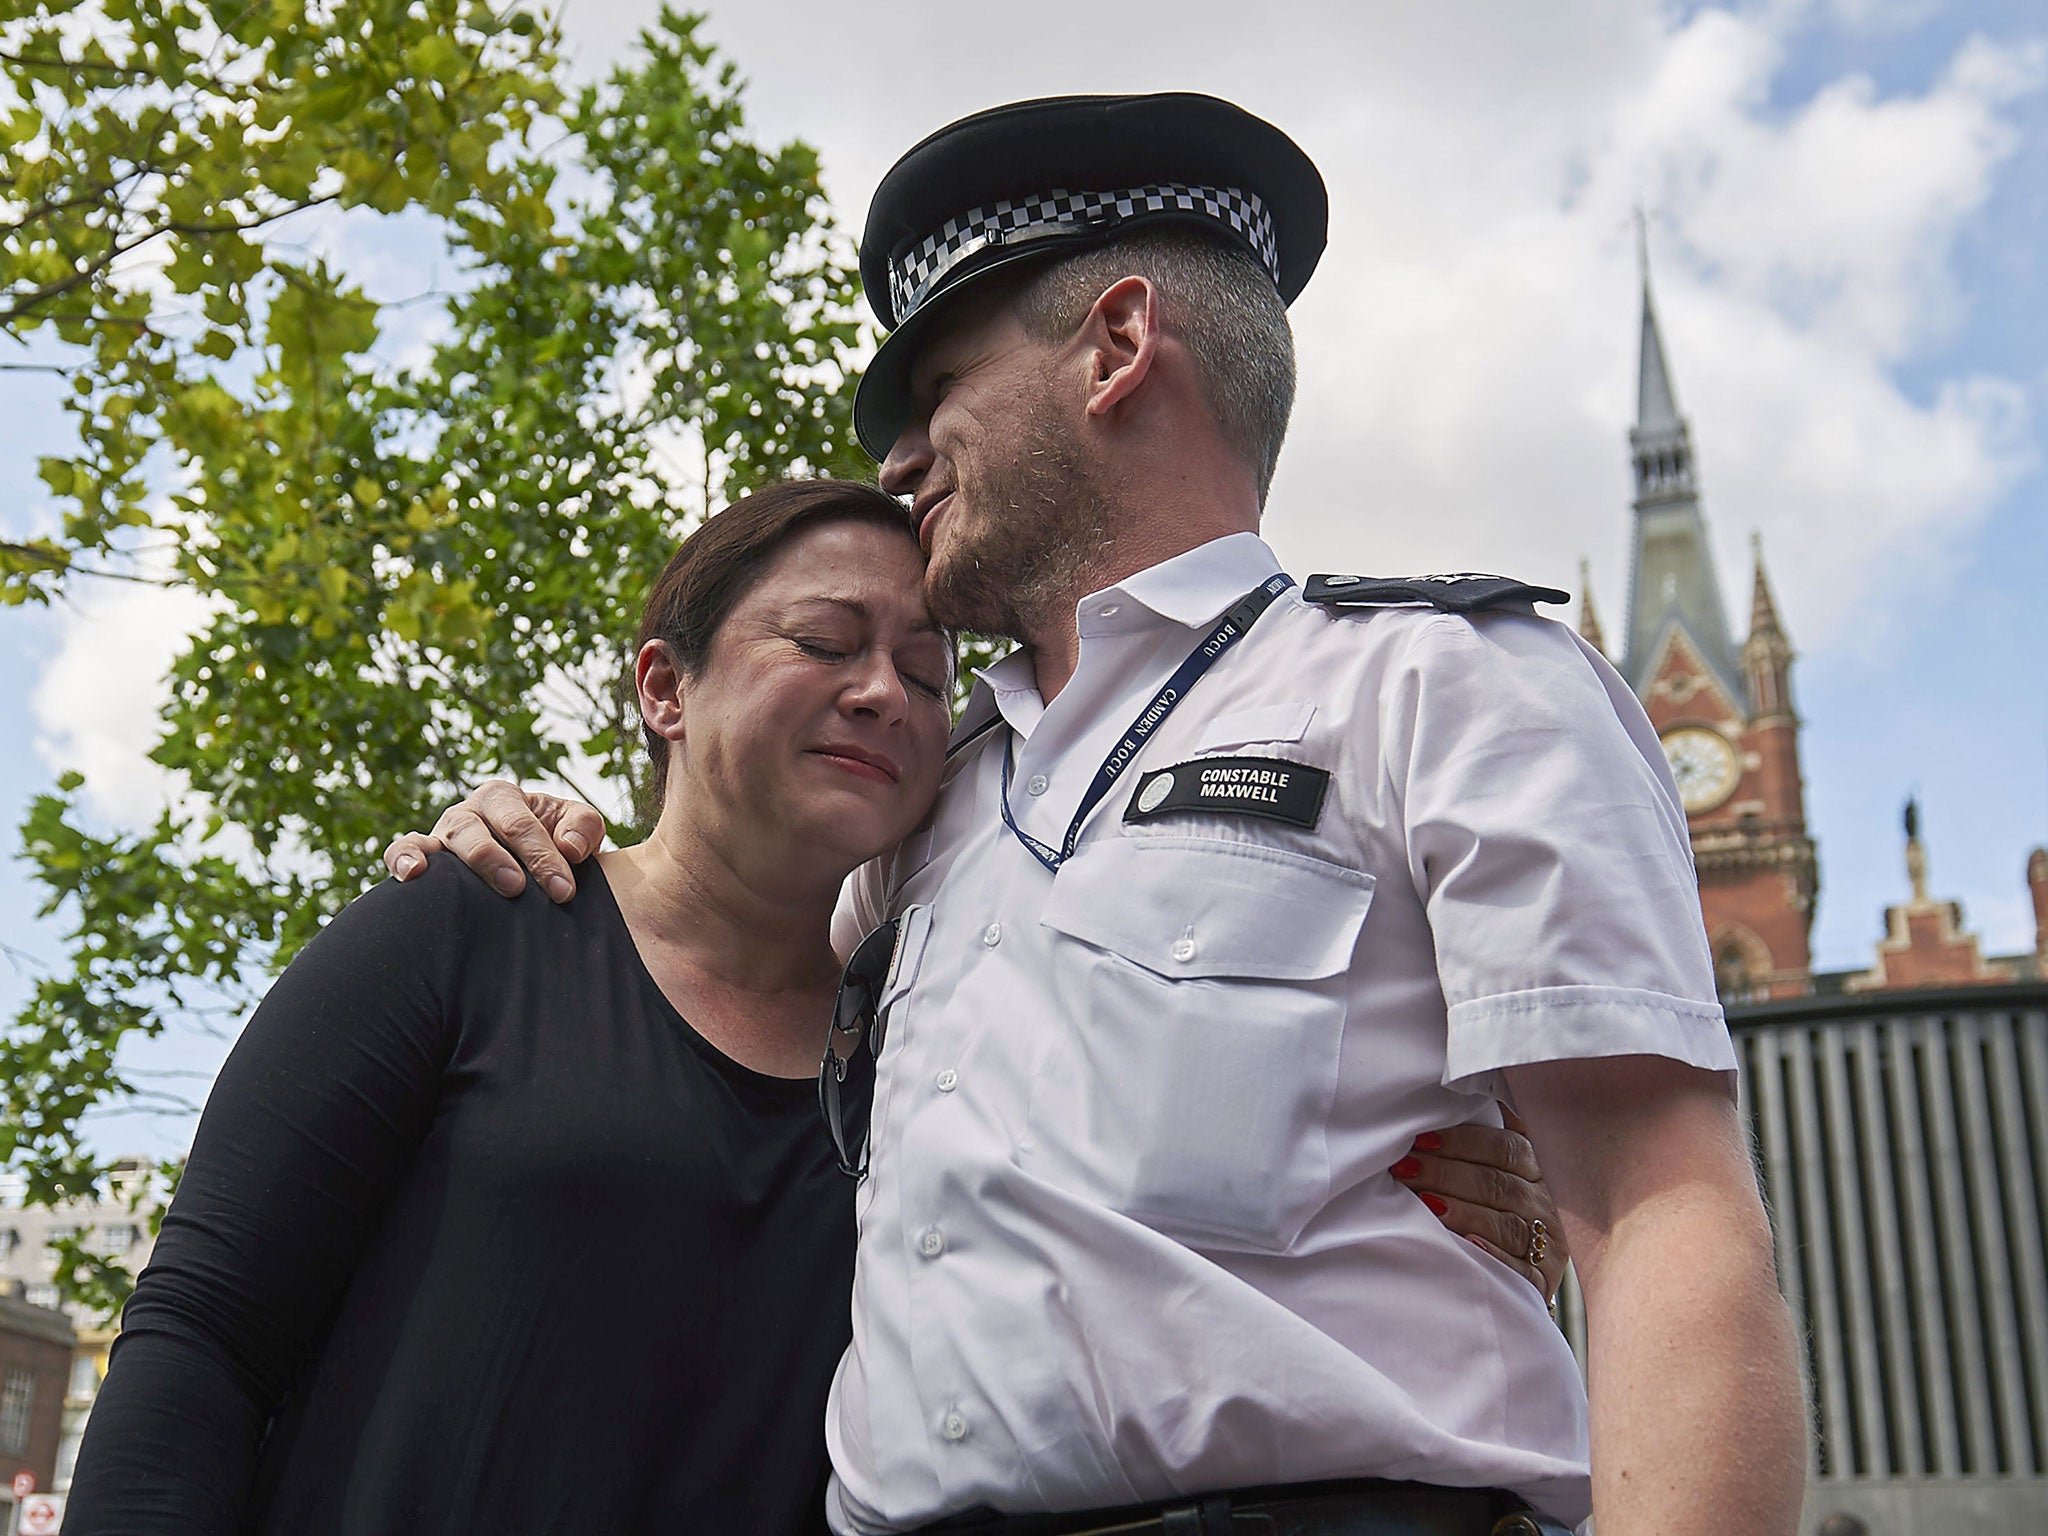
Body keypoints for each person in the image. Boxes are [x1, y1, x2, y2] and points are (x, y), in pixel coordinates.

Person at [389, 94, 1805, 1536]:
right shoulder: (912, 820)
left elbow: (1656, 1213)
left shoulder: (1441, 689)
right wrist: (523, 846)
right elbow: (692, 986)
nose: (897, 463)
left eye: (939, 391)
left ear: (1118, 351)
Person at [64, 481, 957, 1533]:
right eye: (822, 641)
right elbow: (203, 1335)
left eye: (926, 673)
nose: (882, 694)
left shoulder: (923, 1048)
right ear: (664, 689)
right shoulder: (466, 920)